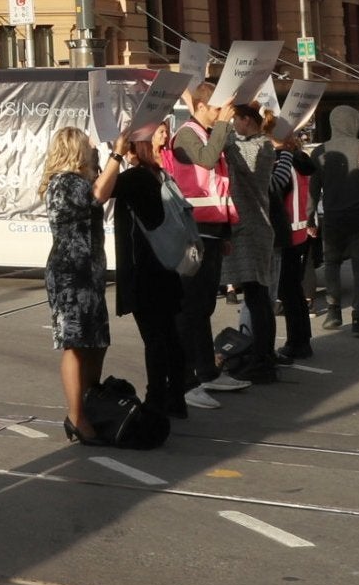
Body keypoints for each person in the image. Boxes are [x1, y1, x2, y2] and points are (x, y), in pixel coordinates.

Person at [42, 128, 117, 441]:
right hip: (70, 274)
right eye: (87, 144)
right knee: (75, 344)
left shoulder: (82, 180)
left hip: (88, 271)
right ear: (74, 149)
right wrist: (117, 155)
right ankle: (76, 416)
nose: (92, 146)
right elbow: (98, 195)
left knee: (96, 341)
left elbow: (103, 189)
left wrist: (108, 160)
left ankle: (88, 404)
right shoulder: (64, 182)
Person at [107, 123, 185, 419]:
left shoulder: (134, 177)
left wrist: (114, 156)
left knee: (154, 338)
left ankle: (156, 398)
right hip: (167, 265)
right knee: (169, 335)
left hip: (145, 270)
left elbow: (100, 190)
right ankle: (176, 396)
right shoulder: (159, 174)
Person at [170, 95, 244, 395]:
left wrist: (225, 232)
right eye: (215, 108)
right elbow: (207, 159)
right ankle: (188, 380)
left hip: (212, 229)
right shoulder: (187, 133)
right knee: (192, 308)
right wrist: (225, 125)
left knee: (203, 307)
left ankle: (207, 372)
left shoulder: (208, 133)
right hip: (196, 230)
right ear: (198, 107)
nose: (220, 113)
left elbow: (220, 184)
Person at [220, 100, 282, 382]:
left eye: (235, 120)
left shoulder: (255, 146)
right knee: (259, 298)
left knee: (257, 299)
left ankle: (262, 361)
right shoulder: (263, 143)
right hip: (257, 228)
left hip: (251, 228)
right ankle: (264, 357)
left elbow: (228, 147)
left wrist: (220, 123)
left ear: (246, 120)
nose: (232, 126)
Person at [311, 105, 359, 336]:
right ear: (355, 122)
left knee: (331, 264)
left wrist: (308, 219)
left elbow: (313, 190)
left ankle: (334, 311)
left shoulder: (320, 151)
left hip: (333, 217)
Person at [267, 115, 318, 363]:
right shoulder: (301, 159)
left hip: (283, 231)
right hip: (299, 229)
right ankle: (302, 340)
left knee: (287, 292)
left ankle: (296, 343)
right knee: (294, 290)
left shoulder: (281, 160)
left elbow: (276, 189)